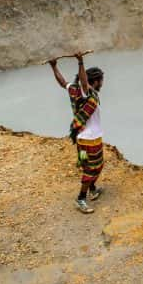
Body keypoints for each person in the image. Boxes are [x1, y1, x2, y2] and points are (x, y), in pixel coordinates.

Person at [49, 52, 106, 214]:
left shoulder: (73, 90)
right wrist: (80, 61)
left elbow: (62, 83)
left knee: (96, 165)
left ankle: (93, 189)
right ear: (94, 81)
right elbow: (83, 82)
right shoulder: (85, 92)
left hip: (84, 139)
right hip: (89, 140)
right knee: (90, 169)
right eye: (101, 81)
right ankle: (81, 198)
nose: (102, 84)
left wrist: (54, 67)